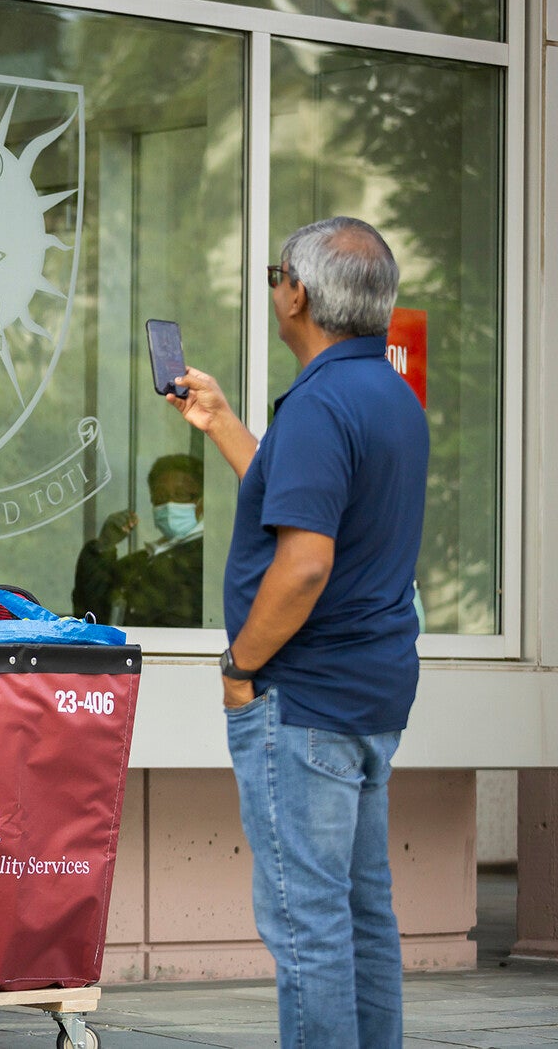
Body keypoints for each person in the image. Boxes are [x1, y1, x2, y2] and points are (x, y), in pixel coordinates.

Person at [167, 217, 428, 1047]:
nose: (274, 284)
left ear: (298, 294)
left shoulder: (321, 403)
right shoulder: (389, 393)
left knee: (307, 923)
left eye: (277, 272)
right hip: (368, 694)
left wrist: (240, 665)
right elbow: (303, 499)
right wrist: (223, 424)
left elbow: (307, 562)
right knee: (361, 913)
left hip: (303, 696)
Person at [72, 453, 204, 626]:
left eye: (180, 494)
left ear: (201, 502)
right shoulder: (137, 563)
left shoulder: (207, 561)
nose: (170, 503)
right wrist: (103, 548)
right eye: (161, 496)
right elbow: (91, 615)